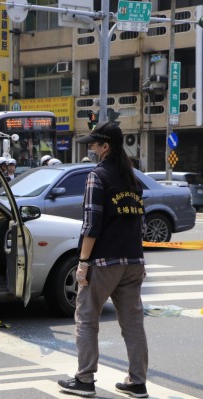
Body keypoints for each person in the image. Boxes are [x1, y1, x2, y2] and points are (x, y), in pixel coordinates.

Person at [58, 122, 148, 398]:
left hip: (104, 262)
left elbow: (91, 225)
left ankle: (85, 380)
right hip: (134, 261)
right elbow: (140, 226)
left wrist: (82, 263)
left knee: (86, 319)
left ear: (105, 147)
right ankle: (137, 382)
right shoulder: (133, 178)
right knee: (133, 324)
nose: (91, 148)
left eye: (94, 144)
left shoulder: (97, 176)